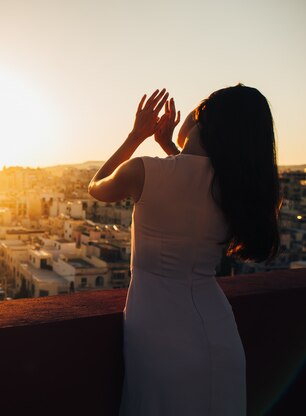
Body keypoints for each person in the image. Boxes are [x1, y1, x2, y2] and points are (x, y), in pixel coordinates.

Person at [88, 85, 280, 415]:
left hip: (158, 330)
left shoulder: (144, 171)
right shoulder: (233, 188)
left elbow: (97, 186)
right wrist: (168, 145)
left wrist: (136, 135)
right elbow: (194, 177)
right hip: (221, 334)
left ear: (202, 119)